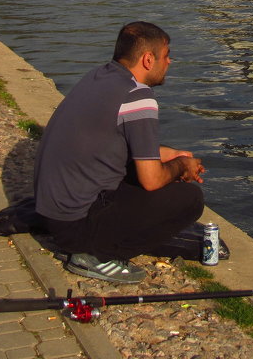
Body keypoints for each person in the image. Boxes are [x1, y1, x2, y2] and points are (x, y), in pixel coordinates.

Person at [34, 21, 205, 284]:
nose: (170, 61)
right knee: (189, 198)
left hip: (51, 213)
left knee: (151, 177)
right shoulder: (138, 96)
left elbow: (110, 143)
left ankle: (101, 239)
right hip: (76, 228)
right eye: (167, 55)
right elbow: (151, 180)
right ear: (148, 59)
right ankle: (97, 256)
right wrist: (182, 166)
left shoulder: (99, 77)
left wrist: (169, 154)